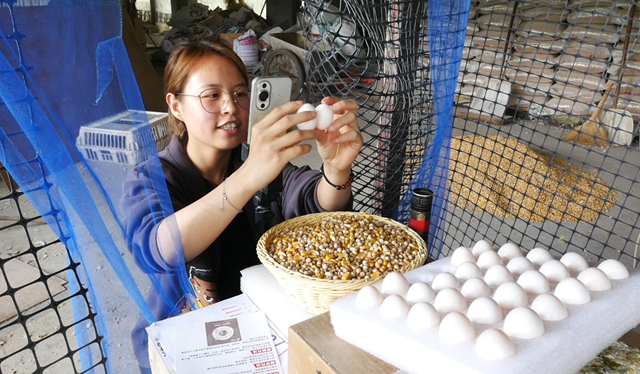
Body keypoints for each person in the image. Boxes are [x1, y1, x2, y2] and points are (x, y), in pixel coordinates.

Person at [120, 37, 362, 371]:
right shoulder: (153, 178)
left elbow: (315, 200)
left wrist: (336, 170)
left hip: (263, 334)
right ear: (176, 106)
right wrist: (249, 175)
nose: (231, 107)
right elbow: (161, 248)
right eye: (212, 96)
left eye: (239, 93)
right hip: (189, 346)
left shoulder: (256, 162)